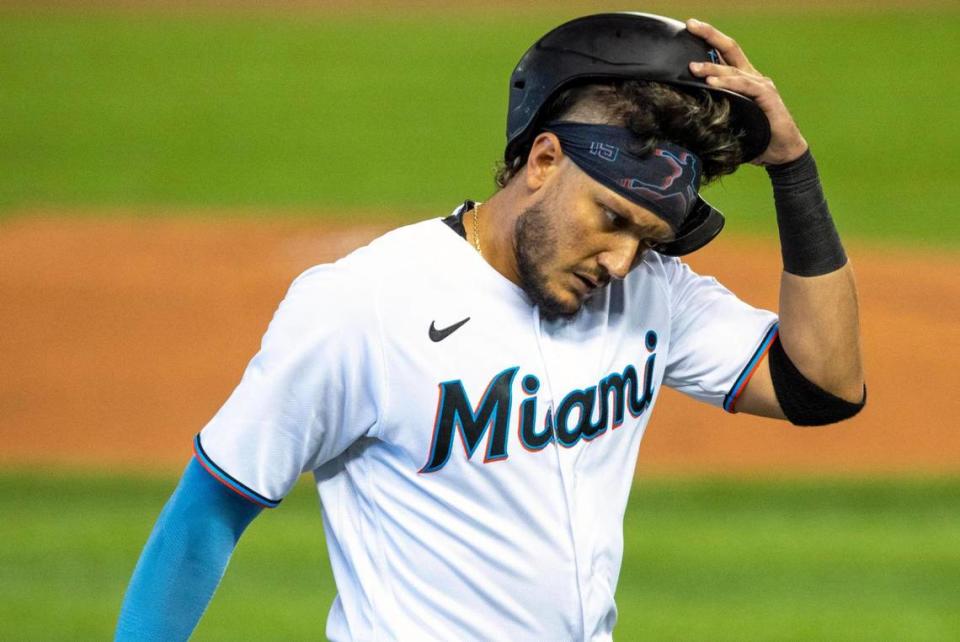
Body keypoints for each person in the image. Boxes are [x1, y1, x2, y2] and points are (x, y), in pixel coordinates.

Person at [115, 12, 865, 641]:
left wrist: (792, 167)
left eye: (647, 238)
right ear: (543, 159)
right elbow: (213, 505)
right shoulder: (363, 306)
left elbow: (823, 386)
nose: (620, 258)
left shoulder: (649, 292)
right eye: (610, 218)